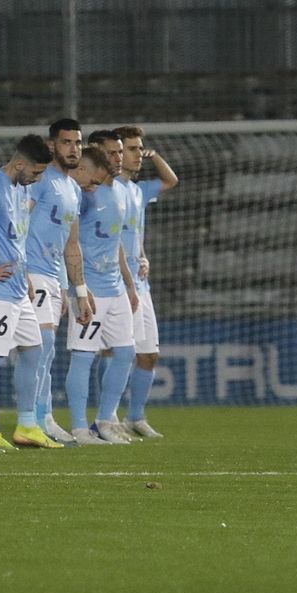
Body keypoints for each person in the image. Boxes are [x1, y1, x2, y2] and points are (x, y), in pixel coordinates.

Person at [0, 134, 58, 451]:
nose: (38, 179)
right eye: (35, 173)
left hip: (19, 290)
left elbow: (17, 240)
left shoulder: (22, 189)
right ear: (19, 164)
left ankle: (27, 425)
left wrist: (27, 276)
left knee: (34, 351)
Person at [64, 130, 141, 444]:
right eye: (112, 153)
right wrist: (77, 285)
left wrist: (129, 283)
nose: (118, 158)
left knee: (125, 353)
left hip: (116, 288)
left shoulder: (121, 191)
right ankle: (80, 427)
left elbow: (117, 242)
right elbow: (69, 240)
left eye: (120, 152)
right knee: (84, 356)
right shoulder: (83, 193)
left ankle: (105, 420)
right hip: (90, 289)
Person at [116, 125, 179, 439]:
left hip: (140, 284)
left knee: (149, 353)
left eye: (140, 149)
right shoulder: (107, 189)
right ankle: (109, 417)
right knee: (116, 353)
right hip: (114, 283)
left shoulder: (137, 191)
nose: (138, 154)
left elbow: (171, 181)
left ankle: (135, 416)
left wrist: (143, 255)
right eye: (132, 149)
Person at [26, 118, 85, 447]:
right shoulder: (41, 181)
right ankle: (35, 417)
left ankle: (41, 415)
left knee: (46, 353)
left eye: (78, 143)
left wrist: (74, 289)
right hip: (30, 271)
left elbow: (71, 244)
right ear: (52, 146)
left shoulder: (73, 189)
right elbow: (19, 221)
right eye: (67, 143)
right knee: (40, 348)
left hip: (52, 277)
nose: (73, 149)